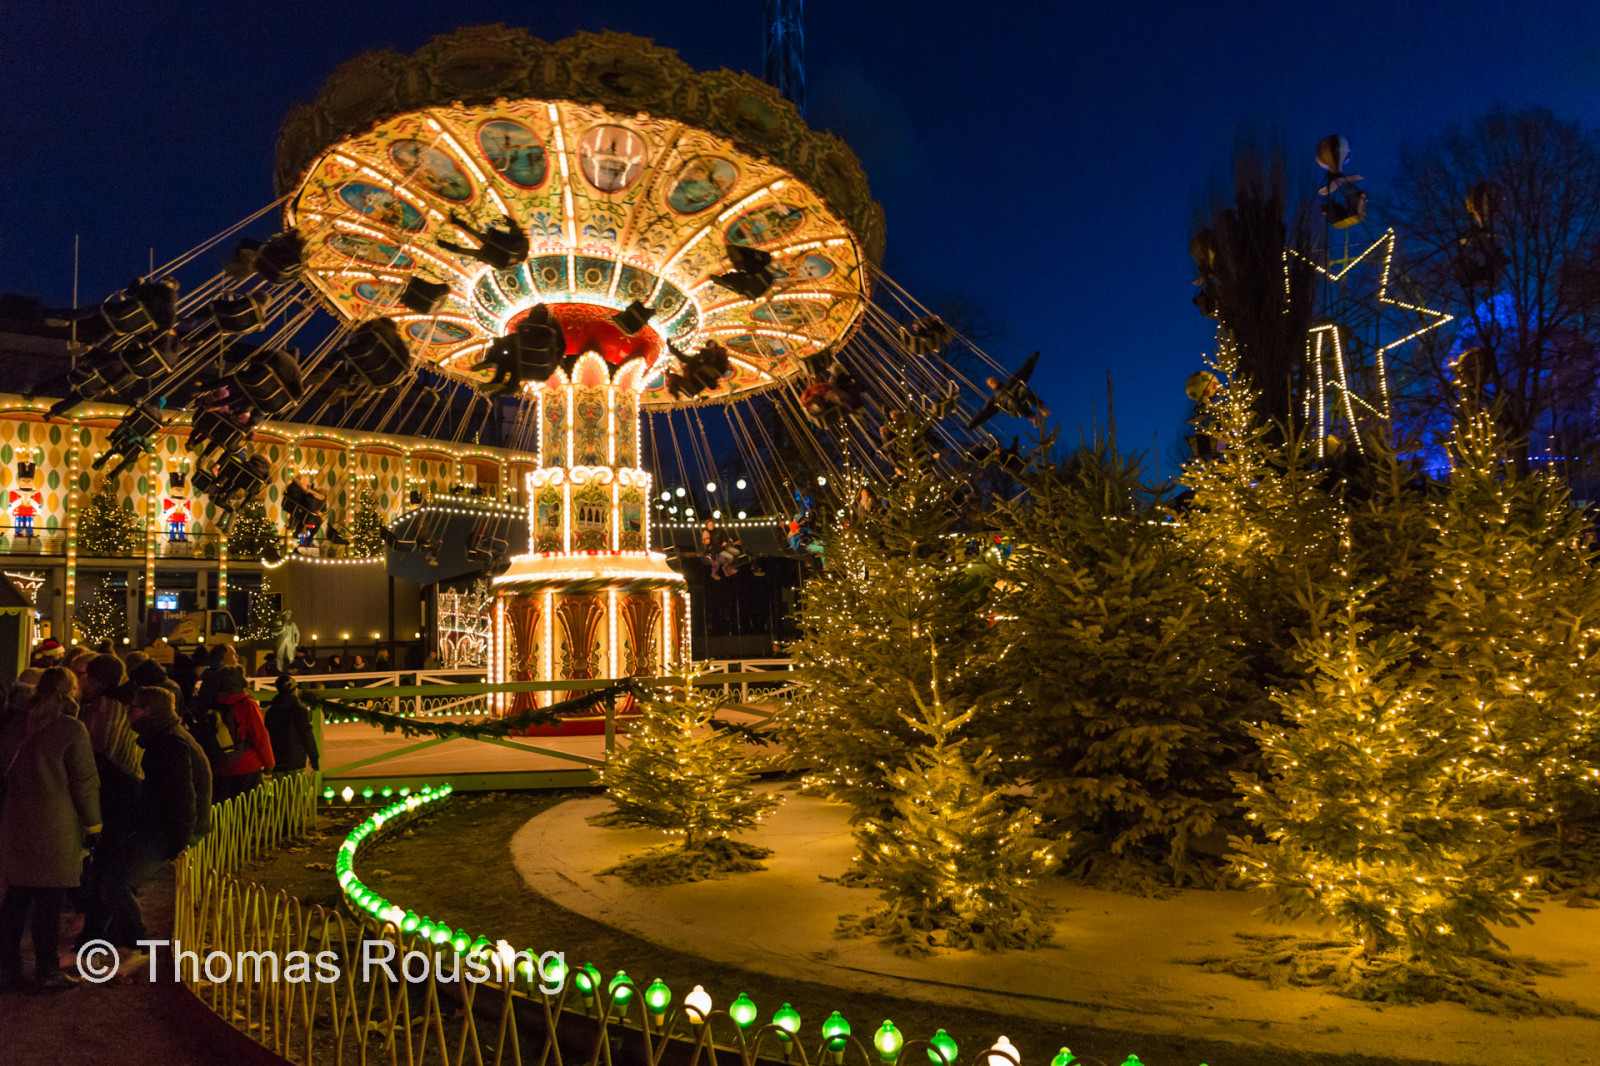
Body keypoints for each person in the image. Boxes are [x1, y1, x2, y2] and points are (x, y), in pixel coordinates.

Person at [83, 686, 210, 952]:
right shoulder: (167, 738)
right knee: (114, 875)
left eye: (133, 708)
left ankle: (137, 941)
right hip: (164, 824)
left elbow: (182, 796)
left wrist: (178, 840)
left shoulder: (170, 745)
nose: (128, 713)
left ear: (147, 711)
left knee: (116, 881)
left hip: (167, 828)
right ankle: (123, 933)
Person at [0, 668, 101, 990]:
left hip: (16, 821)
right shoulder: (71, 730)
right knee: (49, 903)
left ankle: (6, 969)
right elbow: (84, 784)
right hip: (55, 826)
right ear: (70, 691)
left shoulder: (17, 726)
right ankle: (47, 971)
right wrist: (93, 825)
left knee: (16, 900)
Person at [206, 666, 273, 804]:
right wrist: (269, 763)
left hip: (221, 766)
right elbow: (259, 735)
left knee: (225, 811)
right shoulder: (246, 704)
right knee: (247, 810)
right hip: (247, 765)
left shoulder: (214, 704)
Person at [264, 674, 318, 776]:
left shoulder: (271, 711)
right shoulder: (299, 710)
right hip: (295, 760)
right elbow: (307, 735)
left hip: (277, 760)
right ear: (294, 690)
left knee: (279, 790)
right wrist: (314, 758)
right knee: (295, 790)